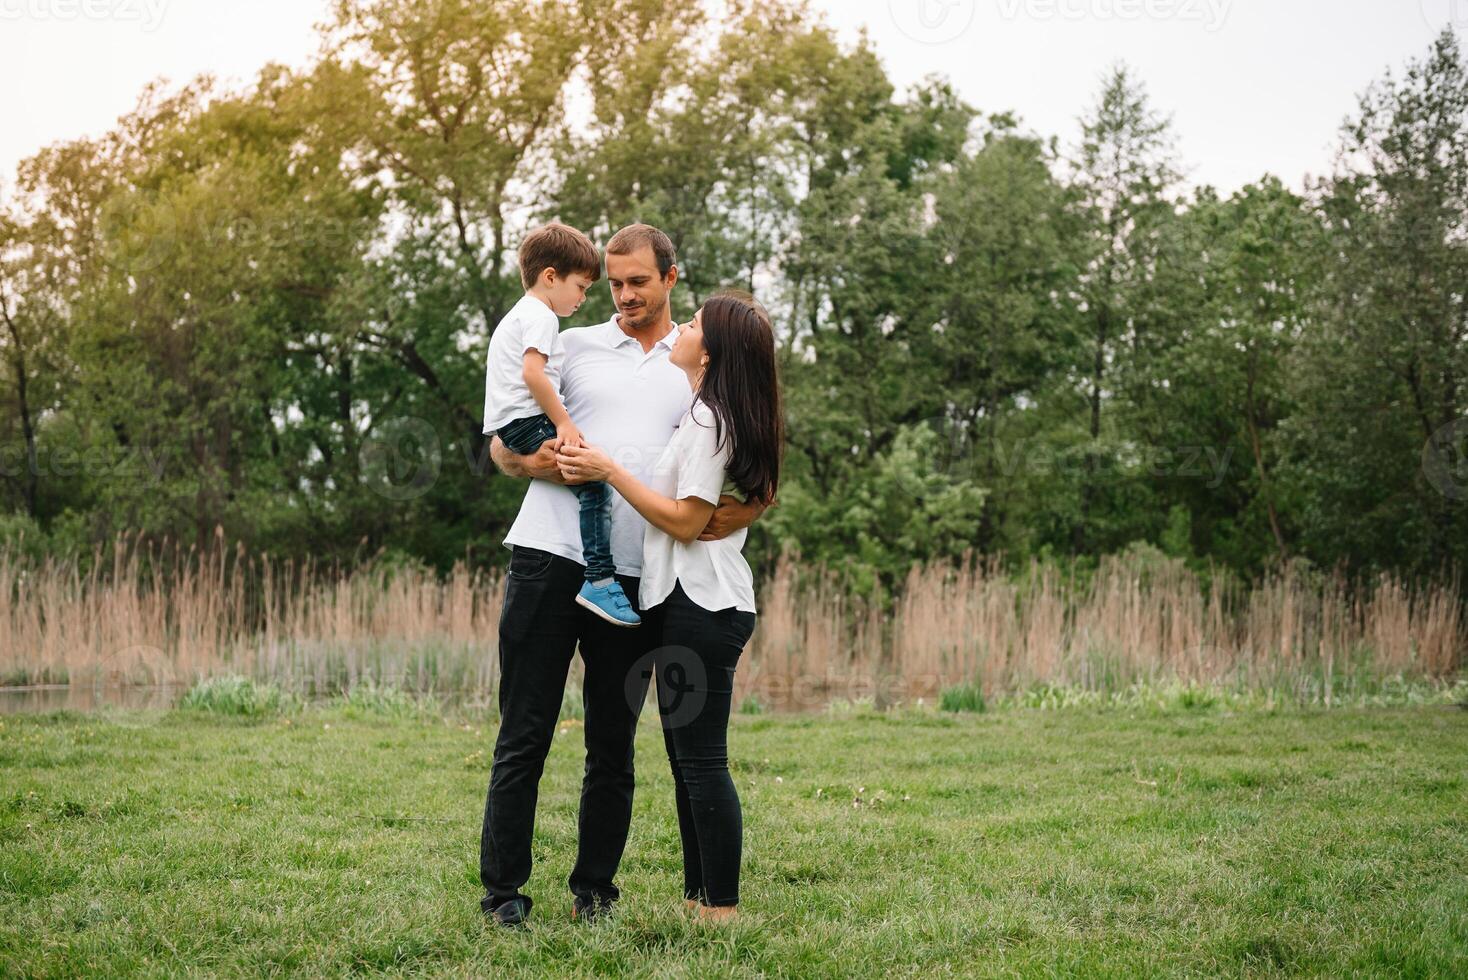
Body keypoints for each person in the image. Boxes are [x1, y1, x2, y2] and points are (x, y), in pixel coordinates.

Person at [479, 224, 768, 928]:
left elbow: (747, 449)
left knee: (613, 744)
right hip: (548, 559)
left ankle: (595, 893)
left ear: (672, 277)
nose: (625, 295)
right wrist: (555, 465)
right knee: (524, 733)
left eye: (639, 281)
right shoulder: (569, 344)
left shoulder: (701, 360)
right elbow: (502, 448)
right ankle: (504, 895)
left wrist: (747, 509)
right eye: (613, 283)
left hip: (638, 579)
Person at [559, 289, 783, 924]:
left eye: (693, 323)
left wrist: (609, 470)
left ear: (709, 351)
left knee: (703, 760)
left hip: (703, 604)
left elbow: (685, 523)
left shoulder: (710, 418)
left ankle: (723, 908)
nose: (680, 325)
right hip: (683, 602)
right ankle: (698, 897)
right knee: (687, 762)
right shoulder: (703, 410)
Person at [481, 222, 637, 627]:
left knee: (585, 481)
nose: (584, 298)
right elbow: (534, 375)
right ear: (550, 276)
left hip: (511, 424)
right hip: (526, 422)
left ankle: (596, 576)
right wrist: (564, 423)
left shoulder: (519, 315)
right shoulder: (542, 318)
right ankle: (600, 579)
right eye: (581, 287)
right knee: (595, 486)